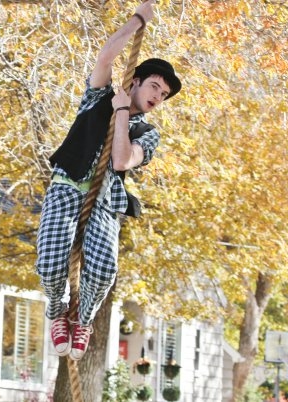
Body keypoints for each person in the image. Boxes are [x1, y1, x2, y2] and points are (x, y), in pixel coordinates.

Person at [36, 0, 181, 361]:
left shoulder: (147, 133)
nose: (157, 96)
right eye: (154, 86)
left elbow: (120, 160)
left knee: (103, 272)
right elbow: (105, 58)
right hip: (67, 186)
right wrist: (137, 20)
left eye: (163, 94)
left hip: (104, 201)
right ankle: (57, 311)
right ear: (136, 81)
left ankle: (83, 321)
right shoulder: (98, 97)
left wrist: (123, 113)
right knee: (51, 264)